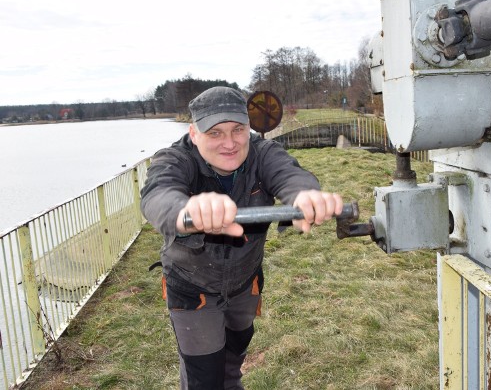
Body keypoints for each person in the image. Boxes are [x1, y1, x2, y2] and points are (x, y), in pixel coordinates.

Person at [140, 86, 342, 389]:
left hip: (244, 285)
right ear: (194, 133)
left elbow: (289, 174)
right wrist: (187, 210)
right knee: (204, 377)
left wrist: (305, 195)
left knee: (233, 361)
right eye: (215, 133)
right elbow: (158, 194)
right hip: (193, 290)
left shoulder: (262, 152)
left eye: (238, 129)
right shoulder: (176, 159)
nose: (230, 143)